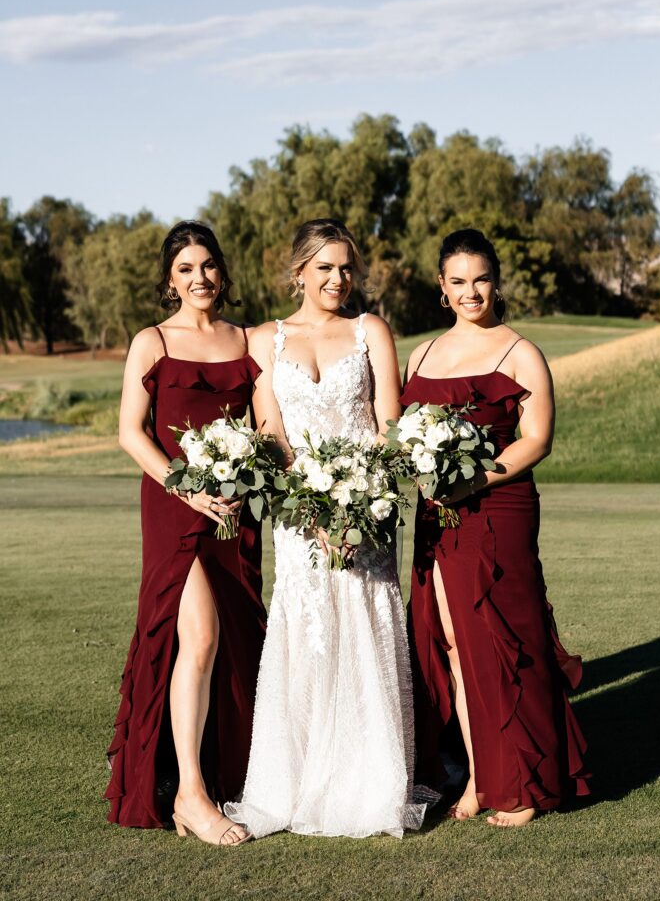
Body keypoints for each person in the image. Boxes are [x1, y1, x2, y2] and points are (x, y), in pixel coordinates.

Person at [224, 219, 427, 838]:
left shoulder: (372, 332)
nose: (338, 279)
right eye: (325, 268)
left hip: (368, 512)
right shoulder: (266, 340)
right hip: (298, 515)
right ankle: (297, 779)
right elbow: (273, 437)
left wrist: (367, 508)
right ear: (299, 273)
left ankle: (372, 782)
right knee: (307, 630)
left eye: (346, 267)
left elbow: (390, 427)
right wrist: (313, 515)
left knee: (366, 622)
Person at [401, 228, 590, 827]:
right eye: (458, 281)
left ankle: (528, 783)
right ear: (442, 287)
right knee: (454, 643)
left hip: (498, 507)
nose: (471, 291)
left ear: (496, 281)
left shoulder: (520, 352)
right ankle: (482, 778)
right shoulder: (422, 355)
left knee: (508, 639)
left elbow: (538, 438)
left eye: (481, 279)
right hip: (437, 516)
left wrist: (475, 481)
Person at [105, 221, 266, 846]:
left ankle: (228, 771)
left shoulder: (245, 340)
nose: (199, 278)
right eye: (185, 269)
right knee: (197, 636)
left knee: (233, 640)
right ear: (169, 280)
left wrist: (248, 477)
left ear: (221, 271)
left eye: (207, 266)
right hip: (176, 506)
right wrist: (186, 486)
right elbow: (131, 432)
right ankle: (191, 798)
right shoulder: (152, 341)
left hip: (233, 508)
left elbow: (265, 427)